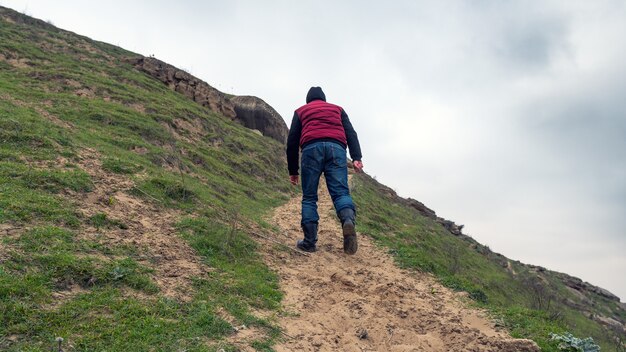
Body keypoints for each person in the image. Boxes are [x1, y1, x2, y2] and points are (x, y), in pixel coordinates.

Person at [286, 86, 364, 254]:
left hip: (311, 149)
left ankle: (309, 242)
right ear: (324, 99)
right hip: (336, 149)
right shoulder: (337, 110)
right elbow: (351, 133)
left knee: (309, 197)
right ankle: (348, 220)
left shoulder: (301, 111)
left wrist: (293, 170)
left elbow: (292, 141)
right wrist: (356, 158)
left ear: (308, 101)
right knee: (341, 193)